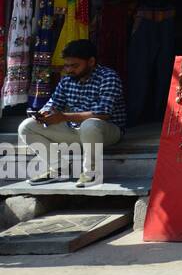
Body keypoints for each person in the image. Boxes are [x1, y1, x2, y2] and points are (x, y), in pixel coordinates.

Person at [19, 39, 126, 188]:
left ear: (91, 62)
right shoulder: (67, 80)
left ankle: (91, 173)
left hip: (106, 132)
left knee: (90, 124)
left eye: (74, 65)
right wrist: (43, 114)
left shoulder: (108, 77)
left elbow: (103, 114)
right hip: (76, 131)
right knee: (26, 126)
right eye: (67, 65)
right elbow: (52, 104)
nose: (69, 70)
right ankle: (58, 169)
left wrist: (62, 117)